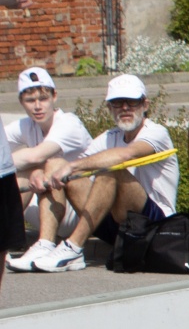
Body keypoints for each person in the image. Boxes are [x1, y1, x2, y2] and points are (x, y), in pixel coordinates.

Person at [24, 74, 176, 273]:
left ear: (145, 104)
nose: (125, 108)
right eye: (117, 103)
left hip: (155, 225)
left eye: (132, 102)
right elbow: (72, 166)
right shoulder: (108, 137)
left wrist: (72, 167)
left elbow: (125, 154)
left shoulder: (157, 132)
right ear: (109, 108)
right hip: (118, 225)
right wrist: (40, 173)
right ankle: (45, 244)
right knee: (55, 164)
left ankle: (74, 247)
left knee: (111, 169)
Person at [5, 67, 95, 274]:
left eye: (43, 99)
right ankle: (5, 240)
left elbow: (36, 156)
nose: (38, 106)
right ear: (21, 102)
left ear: (54, 96)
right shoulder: (26, 126)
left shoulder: (68, 123)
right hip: (49, 208)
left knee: (50, 165)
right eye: (30, 100)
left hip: (82, 211)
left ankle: (45, 244)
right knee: (16, 176)